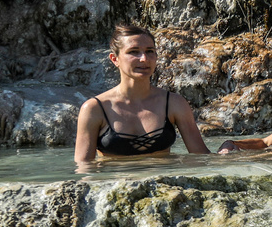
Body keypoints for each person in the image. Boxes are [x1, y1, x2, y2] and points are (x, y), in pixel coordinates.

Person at [74, 23, 211, 165]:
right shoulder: (95, 108)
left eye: (150, 51)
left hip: (164, 182)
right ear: (115, 59)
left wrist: (228, 147)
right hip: (116, 183)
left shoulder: (174, 103)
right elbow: (84, 168)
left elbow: (202, 158)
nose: (144, 59)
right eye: (134, 52)